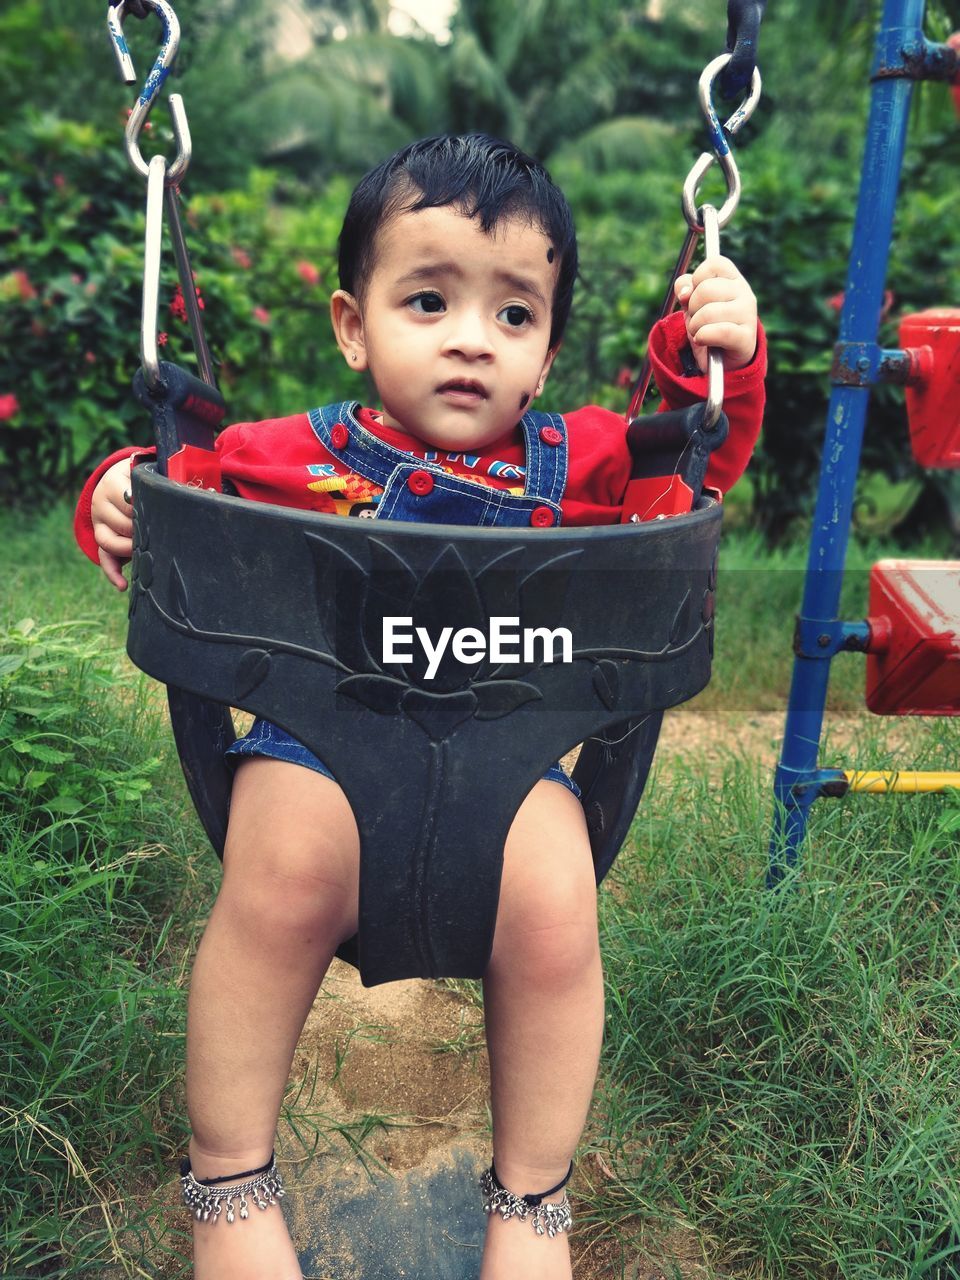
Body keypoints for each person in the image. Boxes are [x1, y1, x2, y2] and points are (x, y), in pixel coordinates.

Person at [75, 133, 765, 1280]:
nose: (468, 339)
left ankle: (532, 1205)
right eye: (430, 297)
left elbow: (682, 477)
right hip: (316, 740)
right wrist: (111, 488)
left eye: (513, 315)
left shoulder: (584, 458)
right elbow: (176, 489)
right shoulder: (284, 454)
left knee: (554, 906)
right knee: (280, 868)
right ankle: (229, 1178)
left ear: (544, 353)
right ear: (354, 324)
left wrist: (719, 367)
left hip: (513, 750)